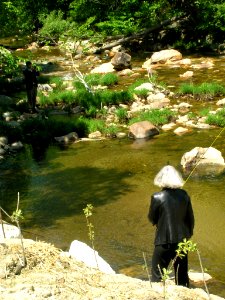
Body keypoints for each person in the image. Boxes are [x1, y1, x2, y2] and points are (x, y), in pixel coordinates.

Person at [148, 165, 194, 287]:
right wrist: (188, 236)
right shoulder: (184, 195)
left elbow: (152, 219)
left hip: (163, 241)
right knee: (182, 276)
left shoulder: (156, 197)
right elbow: (191, 220)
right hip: (182, 241)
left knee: (157, 275)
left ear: (160, 179)